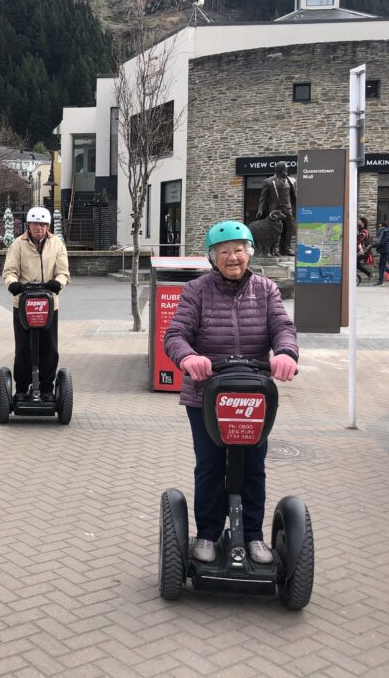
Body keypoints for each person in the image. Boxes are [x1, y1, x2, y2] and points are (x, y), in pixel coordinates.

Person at [163, 220, 298, 565]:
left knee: (253, 466)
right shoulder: (197, 291)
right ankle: (208, 533)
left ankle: (252, 535)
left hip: (253, 394)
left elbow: (282, 327)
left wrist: (285, 353)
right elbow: (175, 334)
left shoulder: (266, 289)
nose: (233, 257)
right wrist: (189, 357)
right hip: (207, 394)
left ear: (249, 252)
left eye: (239, 250)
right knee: (209, 466)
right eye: (224, 252)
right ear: (212, 257)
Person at [2, 207, 70, 402]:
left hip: (49, 304)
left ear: (48, 226)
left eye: (42, 224)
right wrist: (13, 284)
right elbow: (9, 271)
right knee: (23, 348)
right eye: (35, 224)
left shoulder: (57, 244)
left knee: (49, 348)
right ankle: (22, 388)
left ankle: (47, 388)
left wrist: (58, 283)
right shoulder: (18, 244)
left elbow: (63, 271)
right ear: (28, 226)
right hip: (23, 303)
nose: (38, 228)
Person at [256, 161, 297, 256]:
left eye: (287, 169)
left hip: (288, 208)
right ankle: (276, 250)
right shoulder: (269, 181)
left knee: (289, 229)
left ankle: (287, 249)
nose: (287, 170)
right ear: (280, 169)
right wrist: (260, 209)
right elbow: (263, 197)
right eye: (285, 168)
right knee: (275, 229)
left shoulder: (292, 180)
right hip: (275, 210)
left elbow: (293, 196)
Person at [356, 216, 373, 282]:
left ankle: (368, 274)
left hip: (361, 251)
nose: (357, 222)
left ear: (362, 223)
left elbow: (359, 240)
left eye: (359, 221)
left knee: (354, 263)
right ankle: (369, 274)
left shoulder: (364, 231)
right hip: (360, 251)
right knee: (356, 264)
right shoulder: (362, 230)